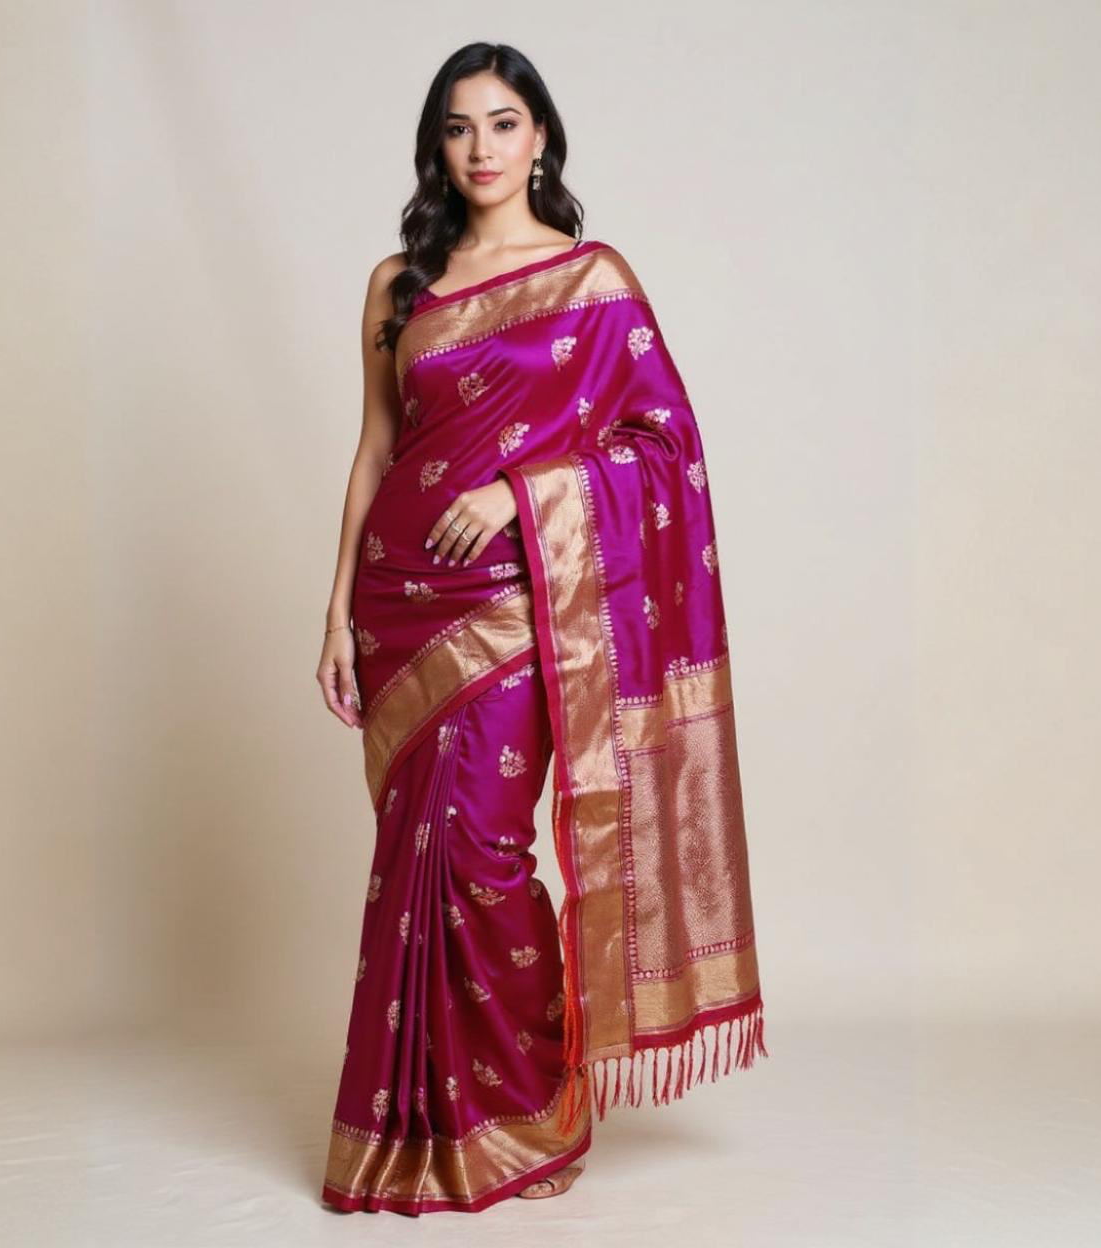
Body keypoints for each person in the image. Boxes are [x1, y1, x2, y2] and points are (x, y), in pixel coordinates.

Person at [316, 41, 768, 1217]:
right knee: (413, 863)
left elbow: (664, 449)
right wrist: (333, 614)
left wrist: (519, 496)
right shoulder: (398, 287)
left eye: (504, 123)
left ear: (542, 139)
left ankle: (525, 1112)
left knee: (481, 852)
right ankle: (421, 1127)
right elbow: (374, 451)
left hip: (519, 600)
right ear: (437, 145)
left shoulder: (591, 281)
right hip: (399, 604)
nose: (482, 148)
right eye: (459, 126)